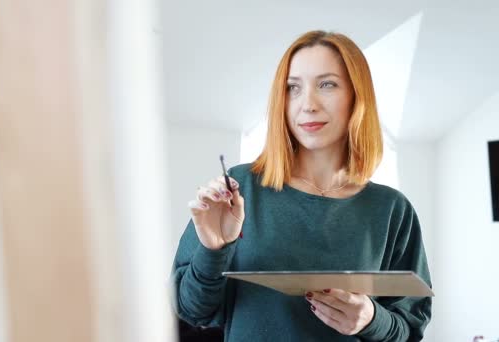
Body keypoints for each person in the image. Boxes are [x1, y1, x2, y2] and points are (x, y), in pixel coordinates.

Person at [170, 30, 432, 341]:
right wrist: (213, 249)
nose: (307, 104)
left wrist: (372, 320)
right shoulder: (238, 190)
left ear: (357, 96)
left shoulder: (392, 209)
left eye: (327, 84)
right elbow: (190, 310)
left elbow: (410, 328)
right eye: (293, 88)